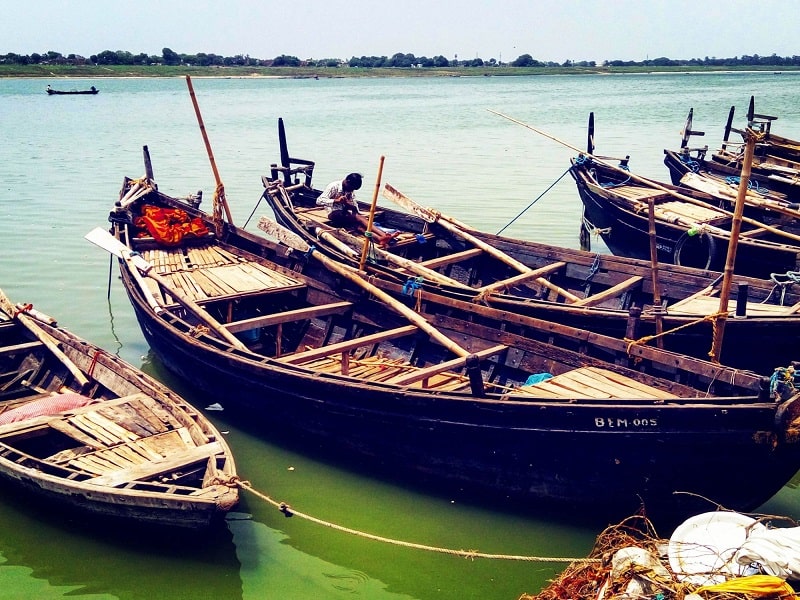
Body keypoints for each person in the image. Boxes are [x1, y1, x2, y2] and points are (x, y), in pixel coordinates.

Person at [316, 173, 398, 246]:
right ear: (347, 181)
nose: (352, 190)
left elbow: (355, 206)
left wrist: (351, 206)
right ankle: (384, 235)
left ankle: (379, 238)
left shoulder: (350, 190)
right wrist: (336, 200)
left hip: (344, 213)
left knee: (359, 226)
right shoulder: (334, 186)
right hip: (333, 212)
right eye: (352, 188)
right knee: (359, 219)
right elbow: (319, 201)